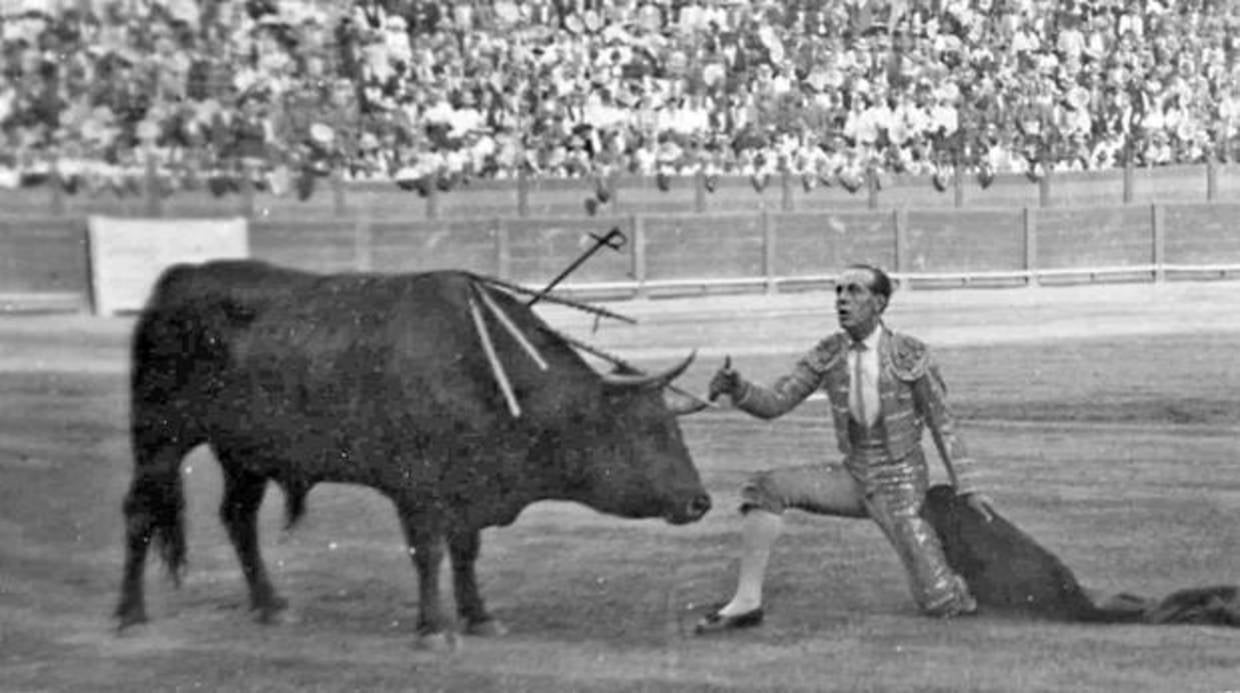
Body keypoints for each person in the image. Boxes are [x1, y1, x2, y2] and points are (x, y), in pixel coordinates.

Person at [695, 263, 994, 634]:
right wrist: (738, 388)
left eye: (854, 291)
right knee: (766, 488)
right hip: (852, 477)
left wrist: (968, 486)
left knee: (942, 601)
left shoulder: (910, 354)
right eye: (838, 291)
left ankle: (964, 572)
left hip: (900, 486)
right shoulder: (829, 351)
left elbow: (943, 422)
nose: (842, 300)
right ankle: (746, 602)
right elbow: (775, 402)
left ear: (879, 302)